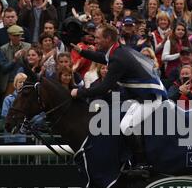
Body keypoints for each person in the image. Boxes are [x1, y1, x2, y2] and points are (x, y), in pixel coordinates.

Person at [70, 24, 167, 175]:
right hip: (142, 95)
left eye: (98, 38)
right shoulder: (117, 50)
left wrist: (79, 92)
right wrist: (82, 52)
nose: (95, 41)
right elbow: (103, 58)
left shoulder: (118, 58)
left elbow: (103, 88)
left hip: (150, 97)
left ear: (108, 39)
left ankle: (142, 165)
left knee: (126, 126)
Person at [1, 73, 28, 145]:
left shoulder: (29, 100)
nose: (22, 84)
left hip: (24, 136)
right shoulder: (8, 99)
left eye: (24, 82)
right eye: (20, 82)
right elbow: (5, 115)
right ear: (15, 84)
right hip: (10, 136)